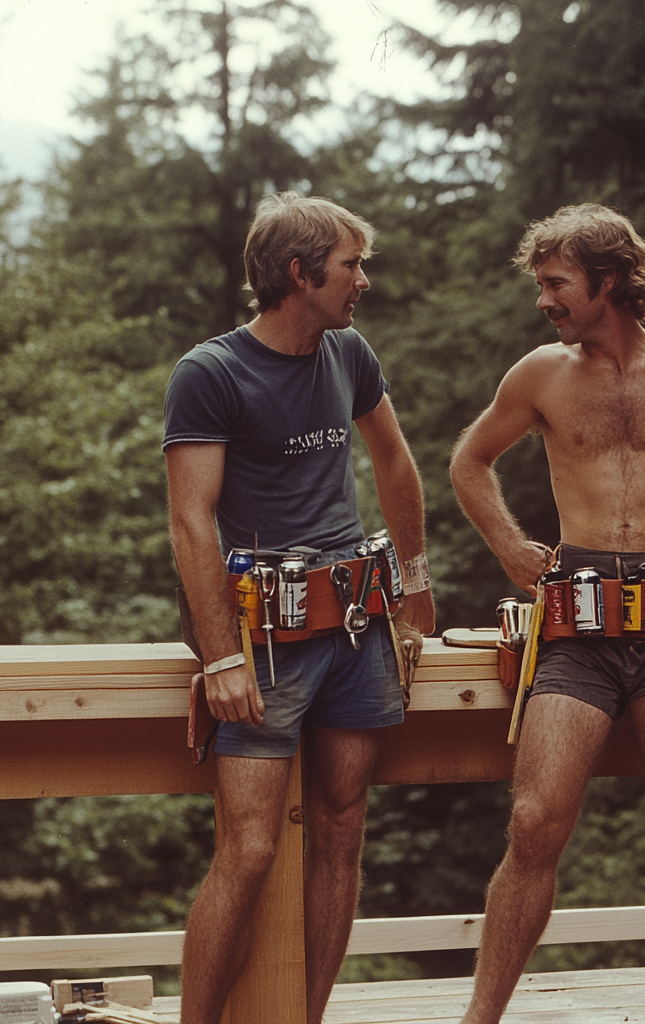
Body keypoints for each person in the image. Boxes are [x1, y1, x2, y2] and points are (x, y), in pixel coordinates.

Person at [449, 204, 645, 1024]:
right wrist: (512, 549)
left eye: (556, 283)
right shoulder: (540, 375)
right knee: (533, 822)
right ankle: (479, 1019)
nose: (544, 300)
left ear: (611, 281)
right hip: (577, 625)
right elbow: (470, 460)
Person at [163, 192, 435, 1024]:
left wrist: (416, 585)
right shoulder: (211, 373)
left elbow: (395, 461)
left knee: (343, 826)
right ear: (298, 272)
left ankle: (308, 1018)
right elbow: (190, 519)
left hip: (356, 625)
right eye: (352, 265)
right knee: (248, 851)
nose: (362, 281)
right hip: (265, 645)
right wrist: (219, 657)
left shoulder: (348, 353)